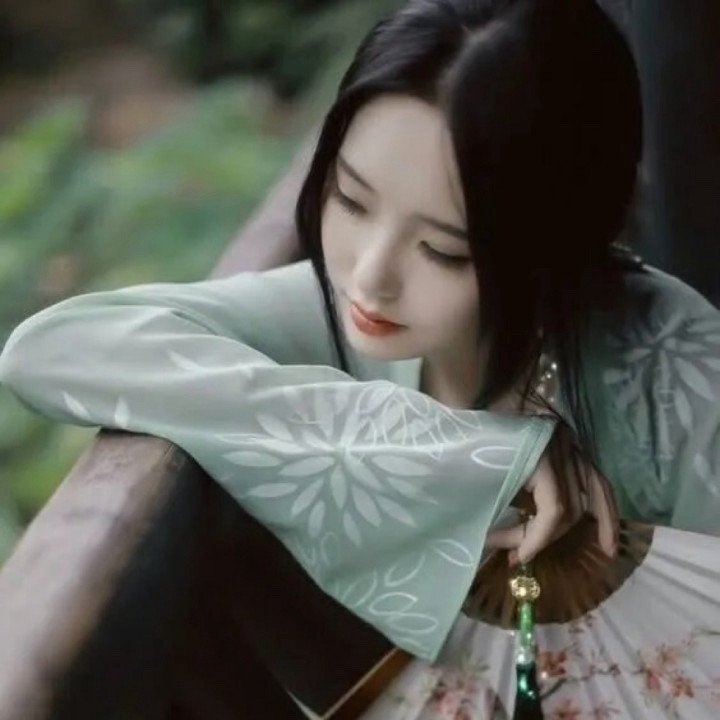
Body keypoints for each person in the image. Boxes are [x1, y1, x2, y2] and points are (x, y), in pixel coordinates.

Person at [1, 0, 719, 716]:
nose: (372, 275)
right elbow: (54, 348)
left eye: (442, 250)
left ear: (553, 244)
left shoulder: (677, 379)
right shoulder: (337, 312)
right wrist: (454, 448)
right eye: (351, 200)